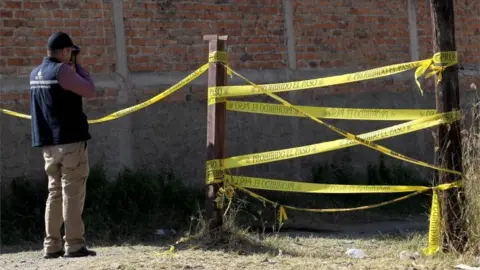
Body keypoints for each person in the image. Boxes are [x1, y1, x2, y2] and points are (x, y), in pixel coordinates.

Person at [30, 32, 96, 259]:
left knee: (54, 193)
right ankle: (75, 244)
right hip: (70, 143)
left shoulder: (35, 73)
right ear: (66, 51)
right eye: (71, 53)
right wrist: (80, 66)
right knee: (72, 193)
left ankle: (51, 245)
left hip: (48, 145)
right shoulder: (63, 71)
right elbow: (89, 89)